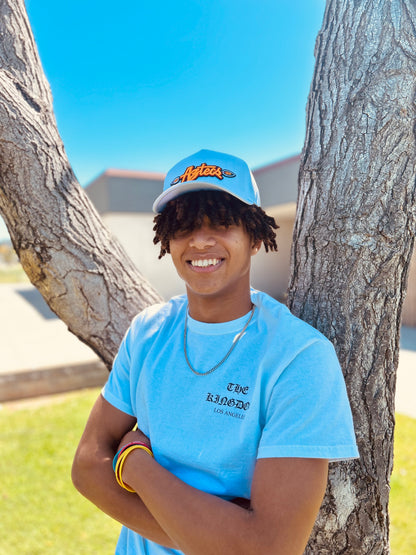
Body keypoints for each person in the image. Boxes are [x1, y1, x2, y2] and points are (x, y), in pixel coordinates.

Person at [72, 149, 359, 554]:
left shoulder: (299, 357)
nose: (200, 240)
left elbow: (270, 549)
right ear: (167, 239)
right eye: (183, 225)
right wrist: (217, 538)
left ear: (256, 237)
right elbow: (87, 465)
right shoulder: (148, 332)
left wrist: (135, 464)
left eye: (222, 223)